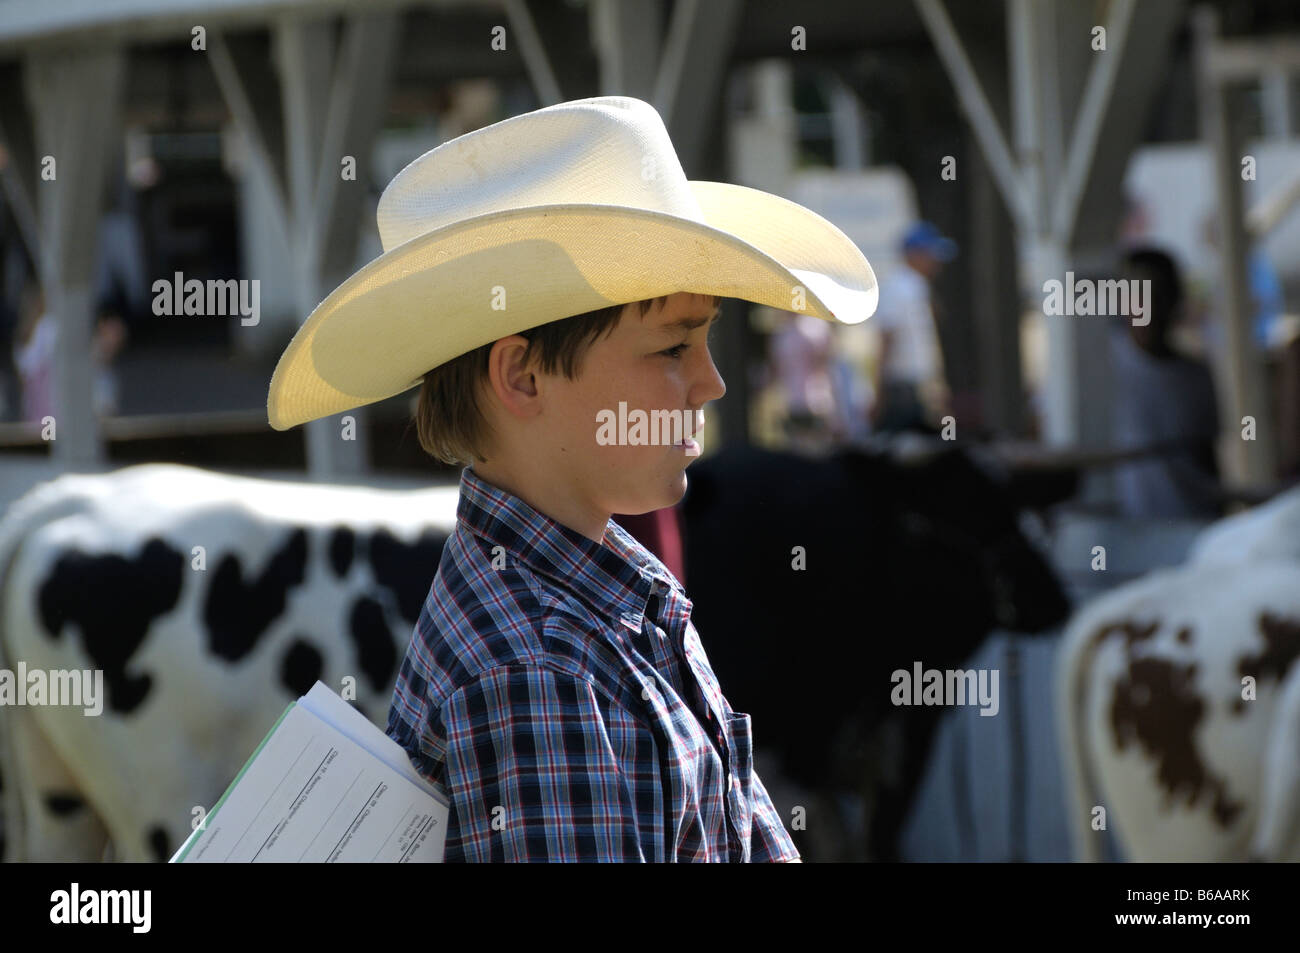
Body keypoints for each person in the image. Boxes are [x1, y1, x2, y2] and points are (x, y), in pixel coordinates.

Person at [266, 96, 879, 861]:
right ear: (522, 375)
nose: (712, 383)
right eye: (671, 349)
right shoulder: (537, 673)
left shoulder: (612, 600)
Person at [1109, 247, 1222, 519]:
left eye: (1158, 294)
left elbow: (1207, 458)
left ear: (1175, 300)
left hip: (1192, 526)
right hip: (1125, 537)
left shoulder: (1197, 376)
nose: (1149, 306)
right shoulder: (1101, 369)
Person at [869, 221, 952, 434]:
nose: (936, 262)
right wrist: (879, 393)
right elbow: (887, 340)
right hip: (902, 389)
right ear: (914, 254)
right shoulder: (898, 288)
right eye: (931, 254)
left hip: (916, 387)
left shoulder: (917, 287)